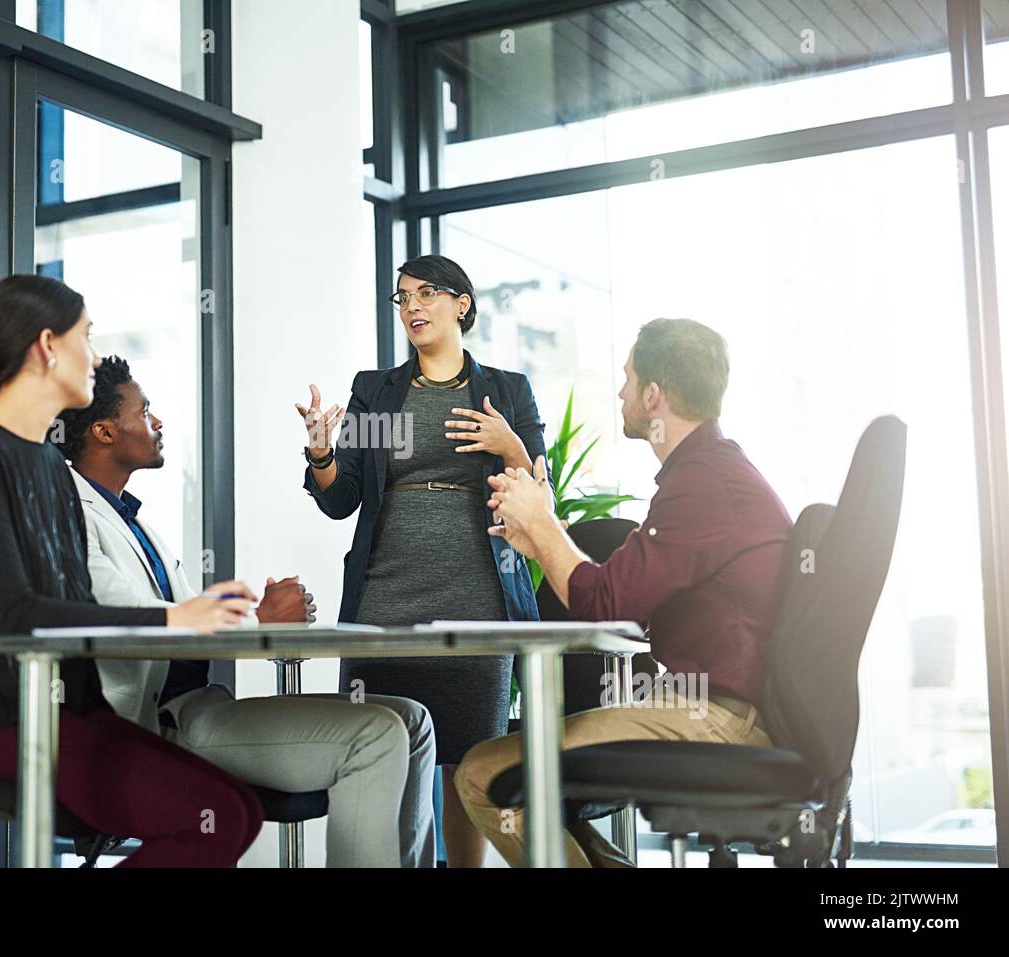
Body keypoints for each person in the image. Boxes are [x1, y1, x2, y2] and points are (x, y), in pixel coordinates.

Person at [0, 274, 264, 867]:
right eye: (87, 336)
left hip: (45, 710)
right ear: (48, 347)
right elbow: (18, 614)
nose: (95, 354)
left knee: (240, 810)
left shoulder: (51, 470)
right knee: (215, 821)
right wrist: (174, 618)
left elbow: (73, 606)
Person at [53, 355, 437, 868]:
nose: (159, 422)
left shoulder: (134, 521)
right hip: (161, 725)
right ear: (103, 431)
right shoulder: (71, 514)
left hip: (205, 706)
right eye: (145, 412)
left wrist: (260, 615)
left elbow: (181, 617)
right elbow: (130, 618)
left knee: (412, 719)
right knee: (376, 733)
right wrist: (258, 622)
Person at [455, 317, 793, 867]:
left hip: (715, 718)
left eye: (629, 379)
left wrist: (542, 527)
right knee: (529, 784)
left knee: (484, 774)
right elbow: (618, 591)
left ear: (654, 395)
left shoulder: (703, 485)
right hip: (709, 707)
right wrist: (543, 538)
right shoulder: (709, 475)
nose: (622, 392)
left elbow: (602, 604)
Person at [297, 254, 548, 867]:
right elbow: (341, 498)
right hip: (384, 604)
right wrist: (322, 452)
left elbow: (541, 496)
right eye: (402, 295)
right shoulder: (376, 390)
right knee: (385, 759)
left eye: (428, 292)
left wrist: (509, 445)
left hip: (477, 606)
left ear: (462, 303)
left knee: (470, 766)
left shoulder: (507, 391)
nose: (411, 305)